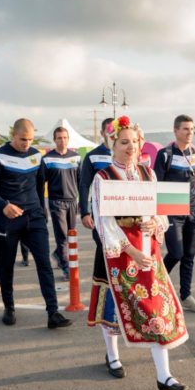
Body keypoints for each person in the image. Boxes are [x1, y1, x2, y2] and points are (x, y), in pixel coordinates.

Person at [88, 115, 188, 390]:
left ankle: (164, 376)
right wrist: (130, 250)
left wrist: (156, 223)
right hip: (118, 252)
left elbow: (161, 211)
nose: (130, 147)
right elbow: (103, 222)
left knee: (155, 308)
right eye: (124, 142)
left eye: (134, 141)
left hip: (148, 251)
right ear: (112, 144)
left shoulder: (148, 173)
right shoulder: (103, 177)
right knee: (112, 309)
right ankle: (112, 355)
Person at [0, 118, 72, 329]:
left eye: (30, 139)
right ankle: (9, 307)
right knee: (6, 266)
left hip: (34, 217)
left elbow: (40, 185)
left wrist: (41, 209)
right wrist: (3, 205)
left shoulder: (35, 155)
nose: (26, 144)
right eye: (23, 139)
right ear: (13, 135)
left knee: (44, 264)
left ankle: (53, 313)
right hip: (8, 219)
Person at [154, 115, 195, 313]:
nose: (190, 132)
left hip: (194, 211)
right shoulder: (165, 154)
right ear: (176, 131)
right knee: (176, 253)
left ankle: (186, 296)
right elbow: (156, 185)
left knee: (189, 257)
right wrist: (156, 214)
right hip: (171, 211)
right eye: (185, 129)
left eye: (192, 129)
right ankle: (154, 284)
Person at [79, 118, 114, 299]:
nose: (114, 134)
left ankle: (119, 298)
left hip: (124, 216)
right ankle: (102, 300)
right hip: (100, 215)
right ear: (102, 133)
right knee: (104, 253)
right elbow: (84, 185)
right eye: (110, 131)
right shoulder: (92, 156)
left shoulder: (127, 154)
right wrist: (85, 213)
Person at [41, 126, 81, 281]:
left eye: (65, 137)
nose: (62, 140)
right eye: (59, 138)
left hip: (72, 201)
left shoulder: (76, 157)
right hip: (56, 202)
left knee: (71, 234)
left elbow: (81, 182)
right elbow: (40, 183)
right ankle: (66, 267)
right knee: (62, 236)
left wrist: (81, 202)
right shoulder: (47, 159)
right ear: (54, 140)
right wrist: (42, 204)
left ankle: (58, 254)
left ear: (68, 139)